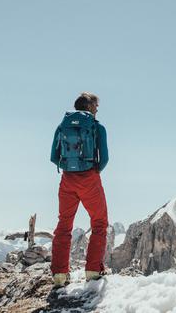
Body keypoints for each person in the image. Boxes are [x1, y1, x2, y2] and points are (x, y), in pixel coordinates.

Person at [49, 92, 109, 287]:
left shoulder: (62, 125)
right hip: (89, 179)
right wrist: (93, 170)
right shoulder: (97, 127)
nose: (97, 110)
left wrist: (69, 168)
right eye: (96, 106)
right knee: (99, 223)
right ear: (90, 107)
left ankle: (59, 275)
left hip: (67, 180)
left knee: (64, 225)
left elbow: (53, 156)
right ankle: (93, 271)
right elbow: (105, 158)